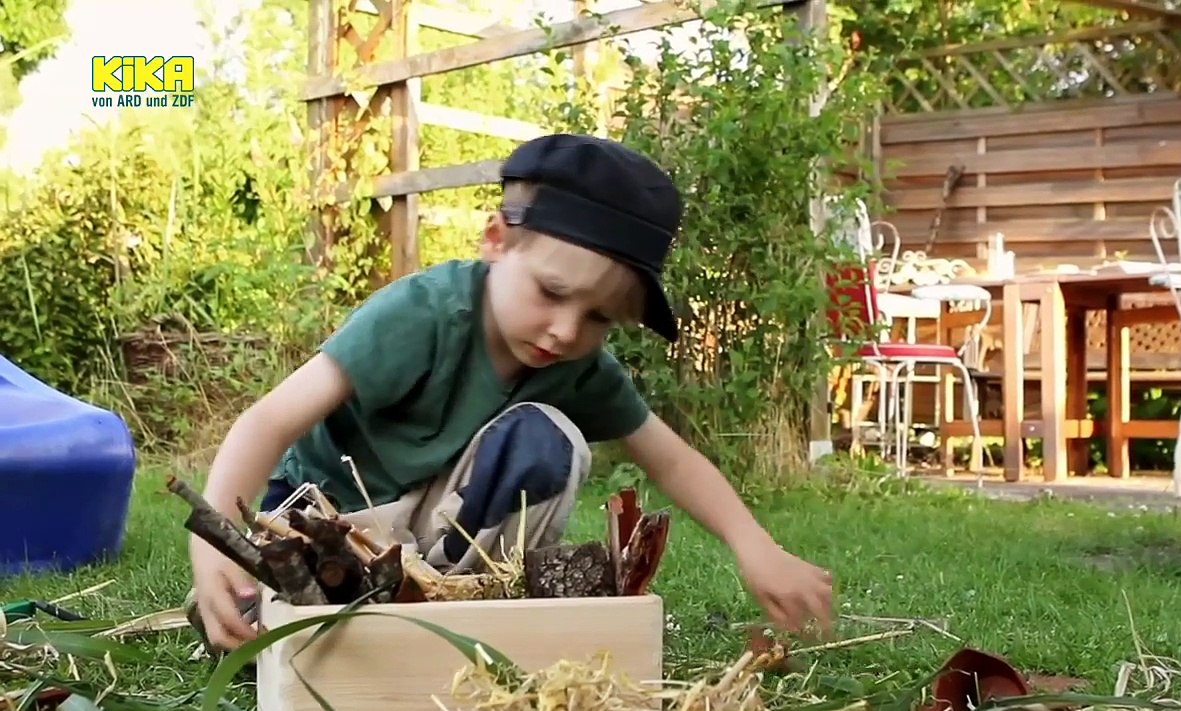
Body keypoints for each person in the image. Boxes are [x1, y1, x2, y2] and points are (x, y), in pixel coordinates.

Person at [187, 133, 835, 652]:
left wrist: (757, 547)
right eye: (552, 292)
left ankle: (454, 611)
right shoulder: (421, 315)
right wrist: (214, 550)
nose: (567, 330)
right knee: (277, 627)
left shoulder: (579, 365)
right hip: (331, 518)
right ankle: (291, 603)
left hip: (431, 547)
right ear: (496, 240)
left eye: (600, 318)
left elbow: (671, 460)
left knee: (547, 439)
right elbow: (268, 422)